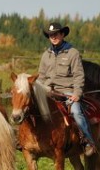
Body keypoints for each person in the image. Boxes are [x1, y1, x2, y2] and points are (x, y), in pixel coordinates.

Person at [38, 22, 95, 156]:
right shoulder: (46, 55)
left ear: (62, 34)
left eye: (56, 34)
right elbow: (41, 76)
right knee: (33, 108)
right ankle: (27, 139)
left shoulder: (72, 53)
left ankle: (87, 141)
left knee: (76, 112)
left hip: (68, 92)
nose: (53, 37)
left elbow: (79, 75)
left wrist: (77, 93)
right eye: (51, 35)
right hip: (49, 91)